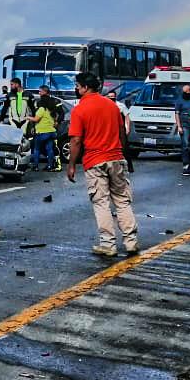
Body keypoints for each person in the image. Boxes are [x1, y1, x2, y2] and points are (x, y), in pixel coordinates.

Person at [68, 73, 138, 257]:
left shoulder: (79, 110)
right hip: (116, 158)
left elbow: (76, 140)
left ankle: (108, 244)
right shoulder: (112, 106)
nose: (76, 89)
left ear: (85, 87)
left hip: (95, 160)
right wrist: (125, 155)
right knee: (122, 200)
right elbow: (122, 131)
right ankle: (131, 242)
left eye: (77, 86)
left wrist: (72, 165)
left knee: (101, 202)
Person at [27, 85, 61, 171]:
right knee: (49, 149)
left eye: (40, 91)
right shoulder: (52, 110)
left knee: (37, 149)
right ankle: (50, 166)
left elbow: (36, 119)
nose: (39, 93)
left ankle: (35, 166)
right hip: (51, 132)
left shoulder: (42, 109)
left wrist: (27, 117)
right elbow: (56, 118)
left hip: (42, 132)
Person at [105, 88, 135, 173]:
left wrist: (128, 127)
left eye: (113, 97)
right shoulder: (105, 106)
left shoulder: (120, 106)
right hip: (110, 130)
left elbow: (127, 116)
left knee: (124, 148)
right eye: (109, 97)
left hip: (120, 129)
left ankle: (129, 167)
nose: (111, 99)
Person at [173, 84, 190, 175]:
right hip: (184, 125)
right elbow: (176, 114)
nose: (185, 93)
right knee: (186, 144)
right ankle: (186, 163)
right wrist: (179, 126)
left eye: (186, 91)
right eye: (183, 92)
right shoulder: (179, 101)